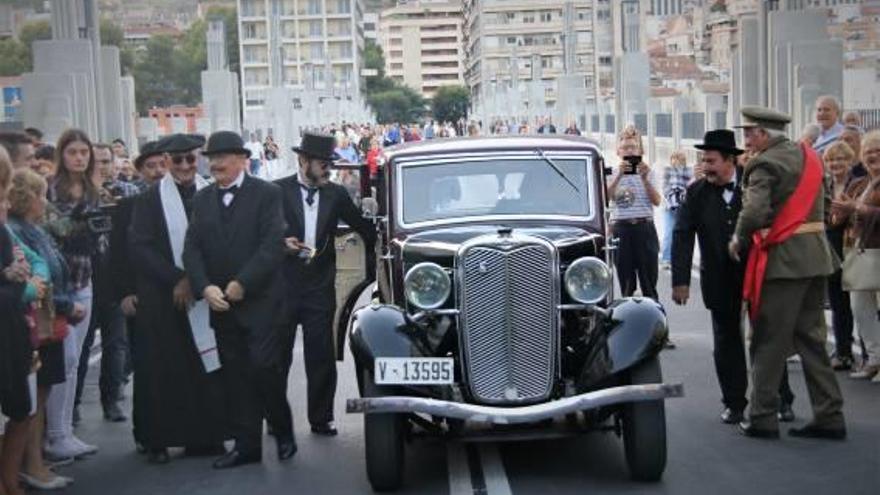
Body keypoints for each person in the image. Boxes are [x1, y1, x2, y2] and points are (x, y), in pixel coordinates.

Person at [730, 106, 845, 440]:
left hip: (783, 261)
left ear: (764, 134)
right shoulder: (810, 157)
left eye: (749, 132)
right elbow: (825, 202)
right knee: (812, 340)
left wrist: (738, 238)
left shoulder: (764, 163)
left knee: (768, 339)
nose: (746, 139)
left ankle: (762, 415)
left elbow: (753, 211)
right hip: (816, 257)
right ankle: (830, 414)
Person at [183, 131, 295, 469]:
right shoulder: (202, 200)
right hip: (222, 305)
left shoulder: (267, 194)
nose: (214, 163)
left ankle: (282, 427)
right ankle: (247, 447)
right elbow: (192, 249)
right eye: (211, 158)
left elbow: (273, 244)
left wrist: (242, 283)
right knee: (236, 376)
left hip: (261, 302)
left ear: (242, 159)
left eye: (222, 157)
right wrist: (204, 287)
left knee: (264, 369)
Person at [128, 134, 227, 464]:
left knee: (206, 368)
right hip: (163, 296)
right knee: (164, 369)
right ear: (166, 162)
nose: (185, 166)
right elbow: (140, 247)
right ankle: (159, 438)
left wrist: (199, 280)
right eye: (177, 160)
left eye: (190, 159)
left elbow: (221, 242)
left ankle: (205, 436)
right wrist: (178, 278)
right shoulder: (150, 199)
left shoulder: (211, 194)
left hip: (205, 292)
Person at [276, 132, 376, 437]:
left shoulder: (335, 194)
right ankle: (275, 416)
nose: (328, 169)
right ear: (303, 161)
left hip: (319, 285)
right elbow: (260, 233)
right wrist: (281, 244)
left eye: (330, 163)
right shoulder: (276, 191)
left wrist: (385, 249)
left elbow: (362, 228)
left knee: (320, 354)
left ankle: (321, 418)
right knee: (277, 356)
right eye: (322, 163)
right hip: (282, 285)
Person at [6, 169, 82, 490]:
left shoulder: (32, 230)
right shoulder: (15, 229)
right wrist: (60, 301)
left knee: (40, 393)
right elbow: (37, 276)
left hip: (46, 314)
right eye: (38, 195)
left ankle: (32, 463)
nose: (44, 201)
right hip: (29, 320)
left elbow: (40, 266)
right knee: (29, 401)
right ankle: (29, 466)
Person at [42, 129, 101, 460]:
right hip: (58, 282)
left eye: (84, 152)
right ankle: (55, 434)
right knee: (61, 358)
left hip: (85, 276)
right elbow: (49, 231)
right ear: (62, 155)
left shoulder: (92, 189)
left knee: (76, 359)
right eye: (73, 152)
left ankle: (64, 430)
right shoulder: (50, 188)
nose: (80, 157)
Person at [73, 143, 137, 425]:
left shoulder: (126, 193)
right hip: (85, 277)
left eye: (106, 160)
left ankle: (111, 399)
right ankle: (72, 406)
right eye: (96, 160)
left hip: (115, 278)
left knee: (117, 344)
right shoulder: (77, 195)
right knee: (82, 346)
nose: (101, 165)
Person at [111, 140, 167, 452]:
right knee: (146, 370)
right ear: (140, 171)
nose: (158, 171)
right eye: (151, 166)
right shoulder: (127, 207)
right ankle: (147, 435)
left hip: (179, 297)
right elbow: (118, 255)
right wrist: (124, 293)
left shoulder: (190, 200)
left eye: (163, 164)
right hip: (142, 297)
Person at [0, 148, 38, 495]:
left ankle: (11, 484)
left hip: (10, 323)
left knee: (20, 407)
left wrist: (17, 272)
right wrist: (10, 276)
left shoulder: (3, 217)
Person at [830, 130, 880, 382]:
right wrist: (839, 213)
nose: (873, 156)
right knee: (860, 309)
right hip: (858, 253)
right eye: (869, 152)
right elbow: (840, 219)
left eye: (877, 151)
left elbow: (866, 211)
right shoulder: (859, 184)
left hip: (877, 251)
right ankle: (873, 359)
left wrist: (857, 207)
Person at [607, 125, 662, 300]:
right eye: (625, 147)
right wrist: (618, 177)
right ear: (618, 151)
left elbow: (657, 201)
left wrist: (645, 179)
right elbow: (605, 198)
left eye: (633, 147)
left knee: (649, 282)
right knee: (626, 284)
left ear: (640, 150)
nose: (629, 151)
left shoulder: (648, 172)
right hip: (621, 229)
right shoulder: (611, 173)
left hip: (644, 227)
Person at [823, 141, 858, 371]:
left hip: (852, 247)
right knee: (837, 303)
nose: (836, 164)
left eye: (841, 159)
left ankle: (866, 353)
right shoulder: (822, 185)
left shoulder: (858, 185)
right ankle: (843, 351)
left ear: (850, 162)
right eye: (832, 160)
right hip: (829, 247)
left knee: (858, 302)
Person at [661, 151, 692, 269]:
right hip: (669, 206)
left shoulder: (688, 171)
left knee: (682, 234)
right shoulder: (667, 170)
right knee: (669, 233)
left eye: (681, 159)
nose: (678, 161)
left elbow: (690, 187)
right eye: (675, 158)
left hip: (683, 207)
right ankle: (666, 258)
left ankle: (679, 258)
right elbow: (665, 188)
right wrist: (675, 197)